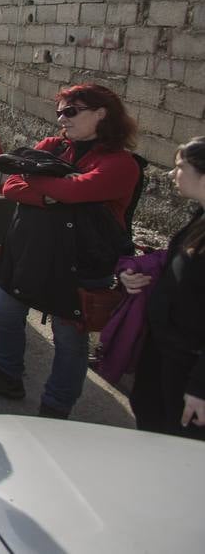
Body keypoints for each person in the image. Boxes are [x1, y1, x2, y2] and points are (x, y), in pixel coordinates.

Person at [0, 83, 142, 418]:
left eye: (71, 111)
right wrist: (52, 192)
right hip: (30, 253)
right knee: (4, 313)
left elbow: (80, 191)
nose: (62, 118)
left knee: (69, 340)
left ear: (101, 113)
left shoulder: (121, 163)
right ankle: (7, 375)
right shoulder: (52, 147)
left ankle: (56, 407)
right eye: (60, 111)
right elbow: (14, 185)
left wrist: (46, 182)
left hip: (79, 264)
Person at [124, 136, 205, 440]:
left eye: (181, 167)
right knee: (149, 411)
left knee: (180, 438)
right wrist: (136, 277)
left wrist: (200, 388)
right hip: (164, 349)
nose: (172, 174)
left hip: (189, 363)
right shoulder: (198, 217)